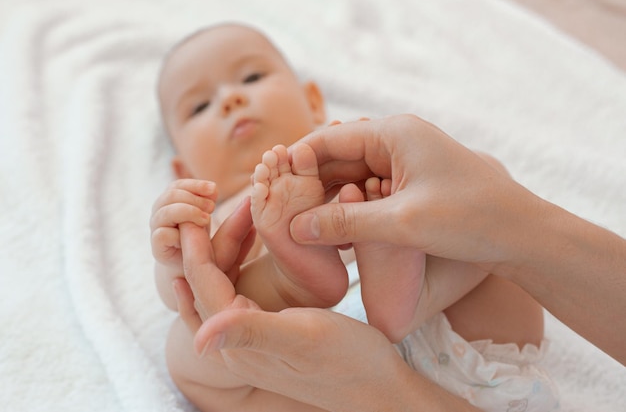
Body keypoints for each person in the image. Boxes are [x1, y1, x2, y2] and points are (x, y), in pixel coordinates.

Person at [151, 23, 558, 411]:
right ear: (184, 169)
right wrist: (176, 252)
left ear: (312, 101)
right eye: (200, 106)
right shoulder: (214, 210)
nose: (230, 99)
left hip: (452, 334)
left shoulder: (347, 153)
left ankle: (402, 293)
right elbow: (180, 295)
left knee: (481, 182)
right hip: (325, 385)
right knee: (190, 341)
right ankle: (296, 280)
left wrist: (393, 188)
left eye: (252, 77)